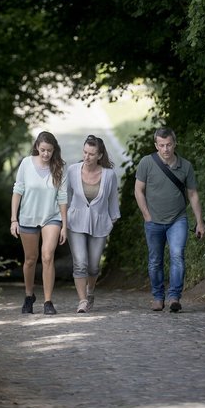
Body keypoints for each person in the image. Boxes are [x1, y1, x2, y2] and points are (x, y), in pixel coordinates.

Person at [134, 126, 205, 312]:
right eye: (161, 145)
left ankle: (174, 297)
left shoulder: (186, 166)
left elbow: (193, 195)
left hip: (178, 220)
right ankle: (158, 297)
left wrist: (199, 222)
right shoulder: (146, 163)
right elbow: (138, 190)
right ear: (156, 145)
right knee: (155, 260)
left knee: (177, 256)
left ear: (175, 144)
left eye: (168, 145)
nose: (165, 149)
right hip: (153, 221)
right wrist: (146, 215)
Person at [10, 130, 68, 315]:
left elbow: (62, 197)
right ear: (37, 147)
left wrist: (64, 225)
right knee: (30, 259)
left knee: (47, 256)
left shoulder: (59, 167)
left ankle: (48, 301)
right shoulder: (26, 163)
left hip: (51, 217)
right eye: (42, 150)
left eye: (49, 150)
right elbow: (17, 191)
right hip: (28, 216)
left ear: (54, 150)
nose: (45, 154)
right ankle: (29, 296)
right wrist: (14, 219)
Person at [67, 134, 120, 313]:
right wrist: (63, 218)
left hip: (100, 223)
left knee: (93, 265)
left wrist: (111, 221)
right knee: (80, 262)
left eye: (91, 154)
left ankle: (90, 291)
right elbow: (65, 196)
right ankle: (82, 301)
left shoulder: (109, 175)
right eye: (85, 152)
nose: (86, 157)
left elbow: (113, 201)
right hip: (75, 222)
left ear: (99, 155)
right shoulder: (73, 170)